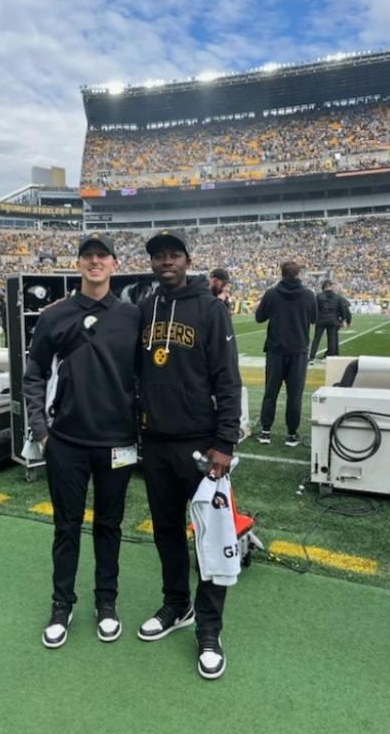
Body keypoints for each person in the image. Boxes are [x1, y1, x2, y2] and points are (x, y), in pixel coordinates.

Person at [23, 233, 140, 649]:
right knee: (66, 527)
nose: (95, 262)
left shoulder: (131, 316)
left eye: (102, 256)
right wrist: (42, 432)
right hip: (67, 442)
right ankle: (62, 603)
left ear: (113, 264)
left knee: (109, 526)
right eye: (87, 256)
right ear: (77, 265)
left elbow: (144, 377)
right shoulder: (56, 315)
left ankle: (106, 603)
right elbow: (34, 375)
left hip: (117, 442)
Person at [137, 229, 242, 681]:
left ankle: (209, 629)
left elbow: (228, 380)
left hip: (201, 445)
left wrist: (225, 443)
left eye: (173, 255)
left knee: (213, 539)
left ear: (186, 259)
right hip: (155, 442)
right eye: (158, 256)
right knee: (165, 532)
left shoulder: (211, 309)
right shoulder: (145, 307)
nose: (166, 262)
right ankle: (177, 604)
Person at [255, 261, 317, 447]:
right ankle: (291, 434)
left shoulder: (272, 294)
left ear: (281, 274)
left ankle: (266, 432)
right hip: (298, 351)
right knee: (294, 395)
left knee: (270, 393)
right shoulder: (308, 295)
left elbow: (259, 318)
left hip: (275, 350)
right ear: (298, 274)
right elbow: (314, 318)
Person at [309, 280, 350, 362]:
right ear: (330, 286)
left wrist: (312, 320)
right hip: (333, 320)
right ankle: (331, 358)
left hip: (321, 320)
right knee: (332, 340)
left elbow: (315, 309)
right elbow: (342, 309)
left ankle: (312, 356)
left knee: (316, 339)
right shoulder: (337, 296)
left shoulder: (319, 296)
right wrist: (343, 320)